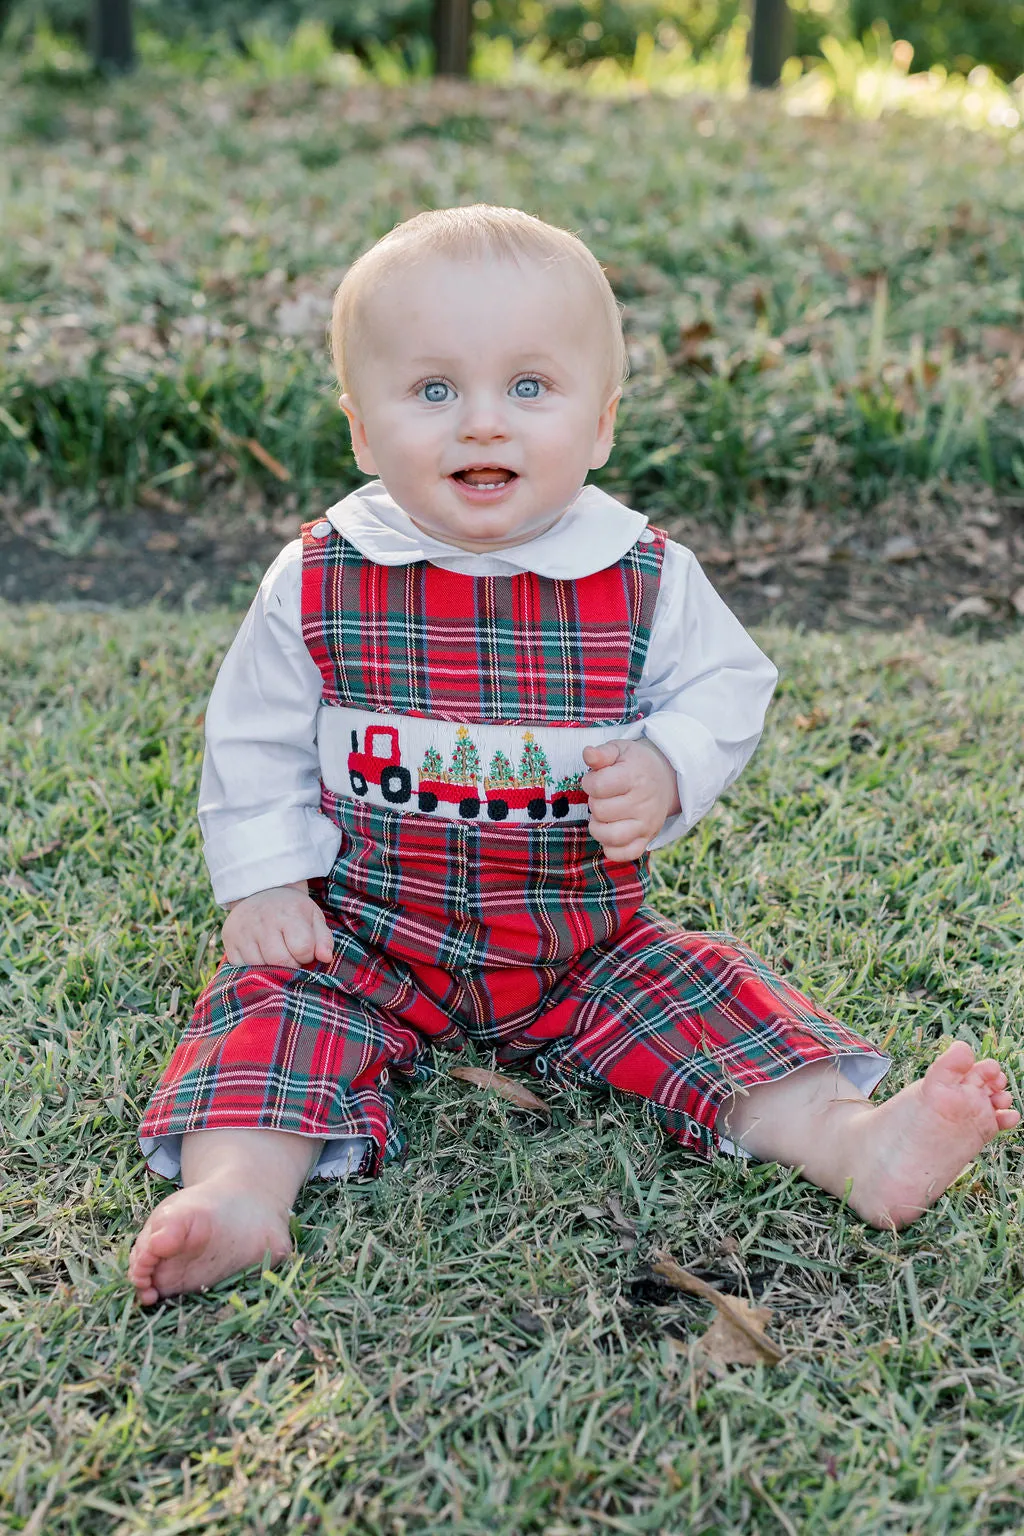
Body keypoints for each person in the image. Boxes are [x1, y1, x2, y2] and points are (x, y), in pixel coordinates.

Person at [129, 205, 1018, 1305]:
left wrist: (669, 765)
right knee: (268, 1007)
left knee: (702, 993)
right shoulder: (320, 574)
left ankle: (852, 1143)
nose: (483, 426)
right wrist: (265, 879)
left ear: (599, 426)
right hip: (364, 938)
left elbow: (726, 685)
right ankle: (239, 1192)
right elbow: (252, 730)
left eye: (529, 389)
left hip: (581, 941)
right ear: (362, 431)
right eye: (435, 391)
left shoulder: (641, 575)